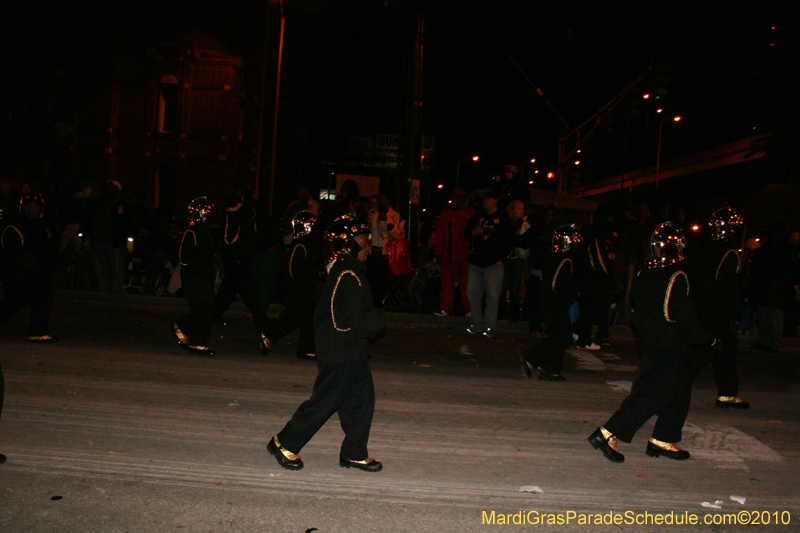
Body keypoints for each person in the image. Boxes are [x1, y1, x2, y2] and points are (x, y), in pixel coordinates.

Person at [588, 222, 720, 463]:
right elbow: (683, 313)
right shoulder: (676, 275)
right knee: (652, 394)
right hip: (666, 343)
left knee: (679, 390)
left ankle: (663, 438)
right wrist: (706, 338)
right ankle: (608, 433)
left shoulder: (644, 273)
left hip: (650, 341)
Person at [267, 215, 385, 472]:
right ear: (349, 245)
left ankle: (354, 452)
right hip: (340, 351)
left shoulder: (349, 271)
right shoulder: (349, 275)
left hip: (351, 351)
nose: (368, 248)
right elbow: (363, 322)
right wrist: (379, 317)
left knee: (361, 401)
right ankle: (284, 442)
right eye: (363, 243)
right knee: (325, 401)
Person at [687, 207, 749, 409]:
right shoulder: (730, 253)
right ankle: (673, 385)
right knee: (708, 350)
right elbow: (730, 286)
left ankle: (727, 394)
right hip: (718, 310)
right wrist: (734, 312)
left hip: (702, 307)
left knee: (722, 351)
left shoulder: (704, 250)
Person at [213, 182, 270, 354]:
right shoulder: (243, 209)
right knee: (249, 295)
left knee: (229, 292)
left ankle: (201, 320)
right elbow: (236, 234)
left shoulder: (240, 210)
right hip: (239, 257)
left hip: (237, 257)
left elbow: (234, 235)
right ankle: (265, 330)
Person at [519, 224, 580, 381]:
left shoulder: (552, 257)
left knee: (556, 336)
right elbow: (561, 285)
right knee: (564, 338)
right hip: (556, 303)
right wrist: (572, 295)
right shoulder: (565, 260)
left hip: (548, 302)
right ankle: (531, 357)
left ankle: (551, 369)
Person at [261, 210, 322, 360]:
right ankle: (267, 334)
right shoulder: (300, 246)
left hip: (301, 289)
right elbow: (299, 269)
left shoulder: (302, 245)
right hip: (299, 290)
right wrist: (317, 274)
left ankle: (307, 349)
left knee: (306, 319)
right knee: (293, 318)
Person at [0, 194, 59, 342]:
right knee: (13, 303)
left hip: (39, 273)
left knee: (41, 302)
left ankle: (38, 332)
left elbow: (48, 249)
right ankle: (38, 331)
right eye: (28, 206)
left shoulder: (43, 226)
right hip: (21, 274)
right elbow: (11, 253)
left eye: (35, 206)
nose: (31, 209)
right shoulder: (14, 226)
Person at [464, 189, 515, 338]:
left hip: (493, 263)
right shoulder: (477, 217)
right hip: (476, 261)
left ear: (495, 201)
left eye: (488, 199)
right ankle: (475, 324)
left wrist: (502, 259)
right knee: (473, 293)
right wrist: (473, 232)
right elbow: (467, 234)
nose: (484, 201)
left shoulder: (504, 219)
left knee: (493, 295)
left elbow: (510, 241)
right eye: (484, 199)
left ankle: (490, 326)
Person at [172, 197, 217, 355]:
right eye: (208, 212)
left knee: (208, 309)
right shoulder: (191, 231)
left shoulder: (205, 232)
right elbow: (184, 257)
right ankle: (183, 326)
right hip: (194, 277)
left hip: (204, 277)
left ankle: (200, 343)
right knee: (201, 309)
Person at [432, 188, 475, 317]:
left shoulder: (470, 214)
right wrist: (438, 252)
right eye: (456, 198)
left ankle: (470, 309)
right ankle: (445, 307)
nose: (458, 201)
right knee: (447, 283)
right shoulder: (446, 215)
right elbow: (440, 235)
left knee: (467, 284)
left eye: (461, 198)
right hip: (449, 254)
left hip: (464, 254)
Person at [502, 199, 531, 322]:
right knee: (502, 287)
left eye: (522, 208)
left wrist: (522, 254)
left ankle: (514, 314)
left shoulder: (525, 225)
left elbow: (529, 242)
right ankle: (501, 313)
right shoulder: (505, 222)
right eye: (518, 208)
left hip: (517, 259)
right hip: (504, 259)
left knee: (514, 287)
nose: (520, 211)